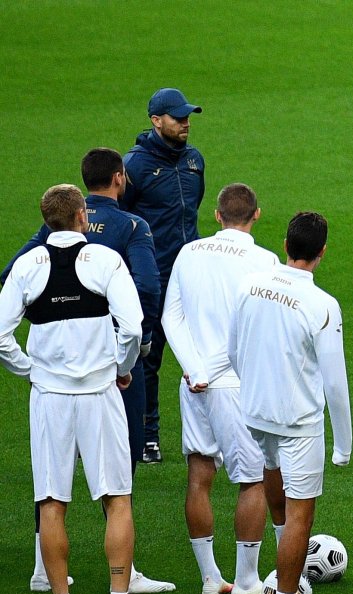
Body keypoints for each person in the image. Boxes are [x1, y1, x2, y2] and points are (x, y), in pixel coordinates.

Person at [2, 148, 175, 594]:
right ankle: (122, 591)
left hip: (50, 392)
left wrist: (31, 369)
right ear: (119, 178)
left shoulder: (34, 254)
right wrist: (127, 361)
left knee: (52, 495)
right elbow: (145, 297)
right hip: (104, 382)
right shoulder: (128, 231)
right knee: (118, 490)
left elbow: (8, 287)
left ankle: (54, 589)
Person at [229, 211, 352, 594]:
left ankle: (284, 554)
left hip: (254, 411)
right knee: (303, 513)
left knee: (270, 470)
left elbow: (233, 346)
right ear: (321, 253)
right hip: (298, 421)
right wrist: (344, 445)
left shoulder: (249, 284)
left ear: (284, 244)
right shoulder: (322, 304)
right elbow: (335, 383)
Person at [162, 183, 279, 594]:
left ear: (216, 216)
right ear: (256, 215)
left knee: (199, 476)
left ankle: (211, 578)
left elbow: (170, 317)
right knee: (251, 482)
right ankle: (246, 581)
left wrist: (195, 370)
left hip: (192, 384)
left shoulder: (188, 252)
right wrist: (211, 370)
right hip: (234, 385)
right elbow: (250, 331)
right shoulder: (264, 261)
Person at [120, 87, 205, 464]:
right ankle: (147, 436)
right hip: (152, 278)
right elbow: (121, 219)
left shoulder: (194, 161)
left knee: (204, 354)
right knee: (147, 357)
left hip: (191, 276)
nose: (185, 123)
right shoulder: (134, 167)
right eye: (178, 117)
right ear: (156, 121)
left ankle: (209, 435)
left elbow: (192, 214)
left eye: (188, 116)